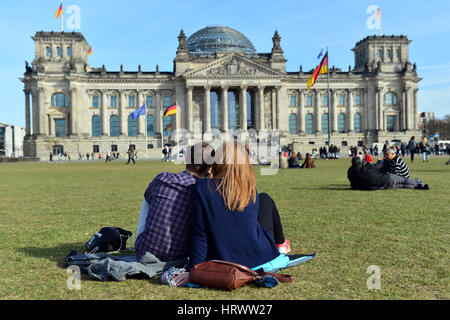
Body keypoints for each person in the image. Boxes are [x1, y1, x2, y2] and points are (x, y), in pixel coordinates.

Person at [172, 141, 293, 287]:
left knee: (264, 201)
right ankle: (281, 244)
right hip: (263, 256)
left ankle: (281, 244)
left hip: (224, 259)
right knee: (265, 200)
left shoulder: (202, 187)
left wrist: (193, 270)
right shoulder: (249, 188)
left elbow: (200, 234)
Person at [135, 142, 213, 261]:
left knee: (148, 197)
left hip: (144, 251)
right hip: (179, 256)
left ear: (186, 158)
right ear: (209, 167)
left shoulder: (163, 178)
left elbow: (148, 197)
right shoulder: (204, 190)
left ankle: (143, 238)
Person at [347, 156, 429, 190]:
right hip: (387, 179)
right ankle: (419, 183)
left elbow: (353, 185)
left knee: (402, 186)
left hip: (381, 187)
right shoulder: (367, 168)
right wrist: (380, 160)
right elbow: (378, 165)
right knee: (404, 180)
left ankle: (417, 187)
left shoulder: (352, 174)